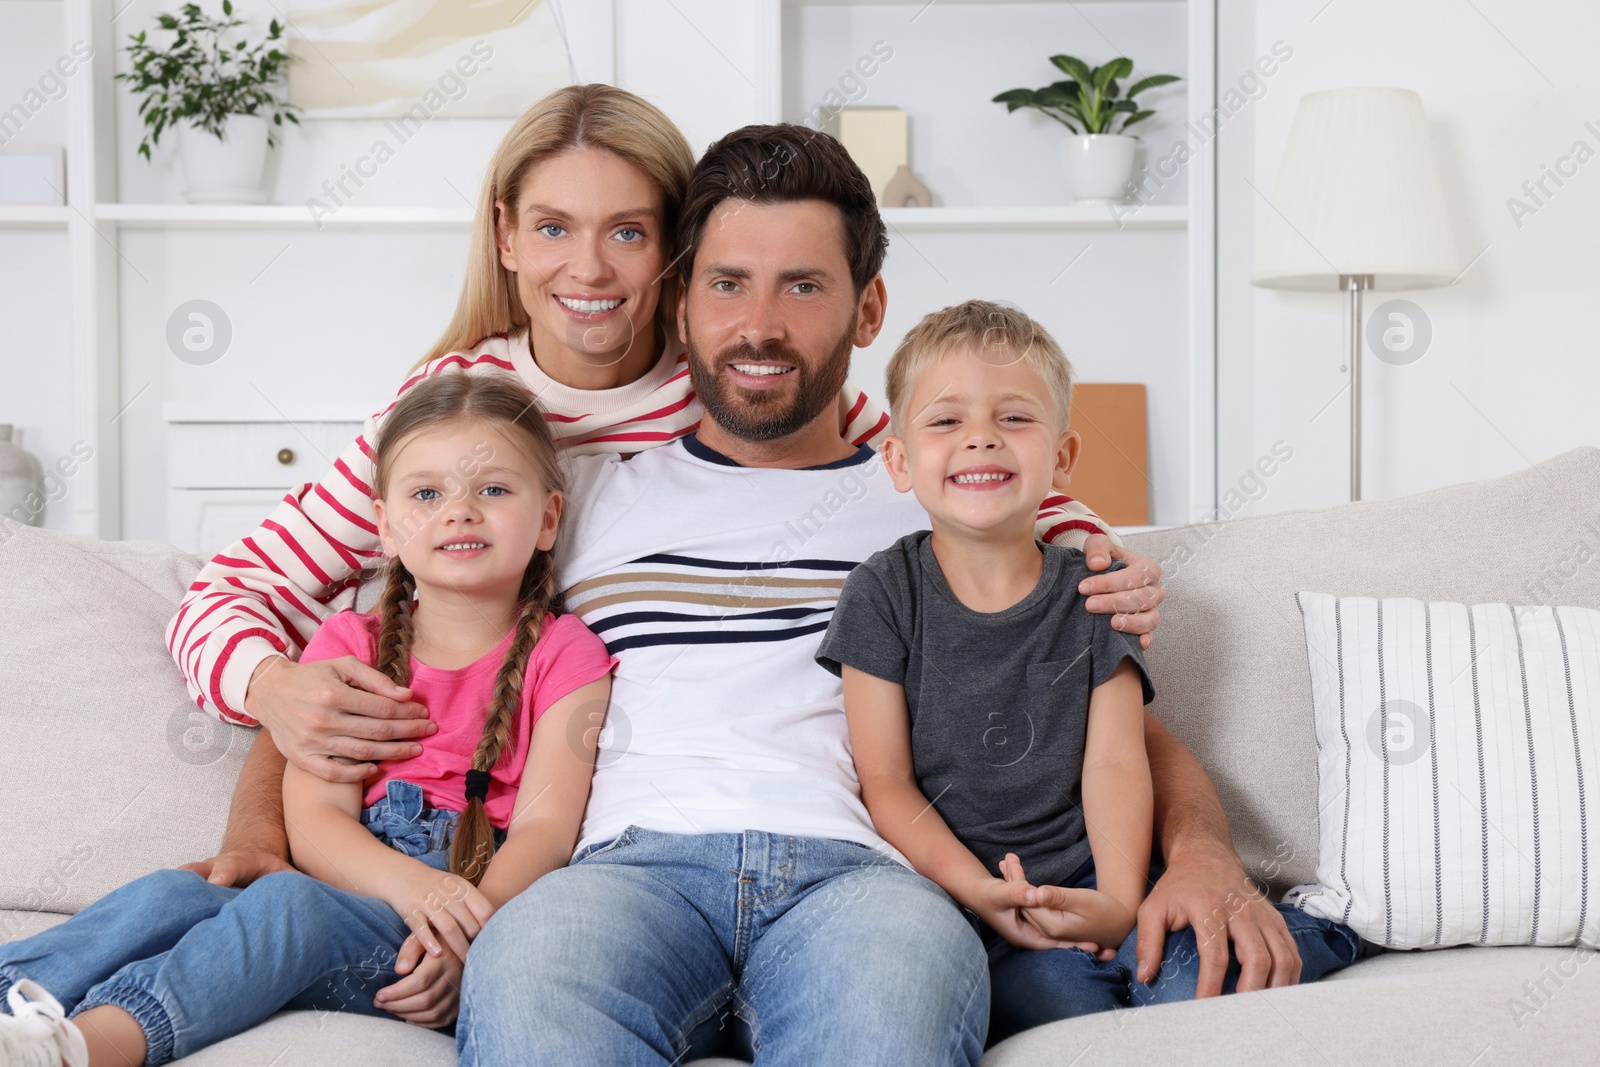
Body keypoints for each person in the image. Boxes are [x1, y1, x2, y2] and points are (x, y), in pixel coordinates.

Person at [447, 124, 1299, 1067]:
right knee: (528, 986)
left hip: (865, 880)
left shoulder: (941, 503)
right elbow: (391, 643)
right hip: (625, 871)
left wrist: (1204, 850)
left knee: (889, 1018)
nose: (760, 325)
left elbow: (1107, 704)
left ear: (867, 308)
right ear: (682, 303)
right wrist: (270, 819)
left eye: (803, 285)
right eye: (728, 283)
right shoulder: (579, 497)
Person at [0, 375, 616, 1066]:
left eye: (495, 490)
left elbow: (545, 828)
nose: (461, 511)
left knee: (291, 906)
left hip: (435, 931)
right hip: (365, 884)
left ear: (550, 517)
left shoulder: (568, 654)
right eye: (426, 493)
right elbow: (317, 821)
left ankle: (81, 1047)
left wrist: (464, 934)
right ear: (384, 524)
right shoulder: (348, 644)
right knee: (176, 892)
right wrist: (411, 883)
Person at [815, 301, 1358, 1047]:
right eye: (946, 421)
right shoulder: (882, 593)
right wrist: (978, 890)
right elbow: (886, 781)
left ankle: (1325, 931)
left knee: (1201, 980)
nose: (981, 436)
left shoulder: (1097, 589)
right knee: (1063, 1005)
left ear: (1063, 457)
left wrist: (1118, 897)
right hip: (991, 922)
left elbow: (1114, 760)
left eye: (1014, 418)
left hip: (1106, 884)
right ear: (901, 460)